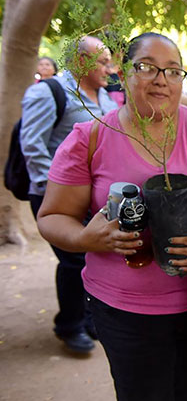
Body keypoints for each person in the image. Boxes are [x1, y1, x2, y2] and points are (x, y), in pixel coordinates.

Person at [36, 32, 187, 401]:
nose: (161, 79)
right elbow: (53, 216)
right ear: (122, 74)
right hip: (125, 314)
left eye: (173, 71)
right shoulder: (89, 137)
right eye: (147, 68)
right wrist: (85, 239)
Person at [21, 36, 118, 354]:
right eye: (102, 62)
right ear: (80, 62)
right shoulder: (48, 92)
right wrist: (56, 191)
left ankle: (89, 319)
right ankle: (69, 326)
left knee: (93, 256)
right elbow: (33, 144)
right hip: (57, 196)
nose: (109, 68)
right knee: (75, 259)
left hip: (91, 197)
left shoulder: (104, 96)